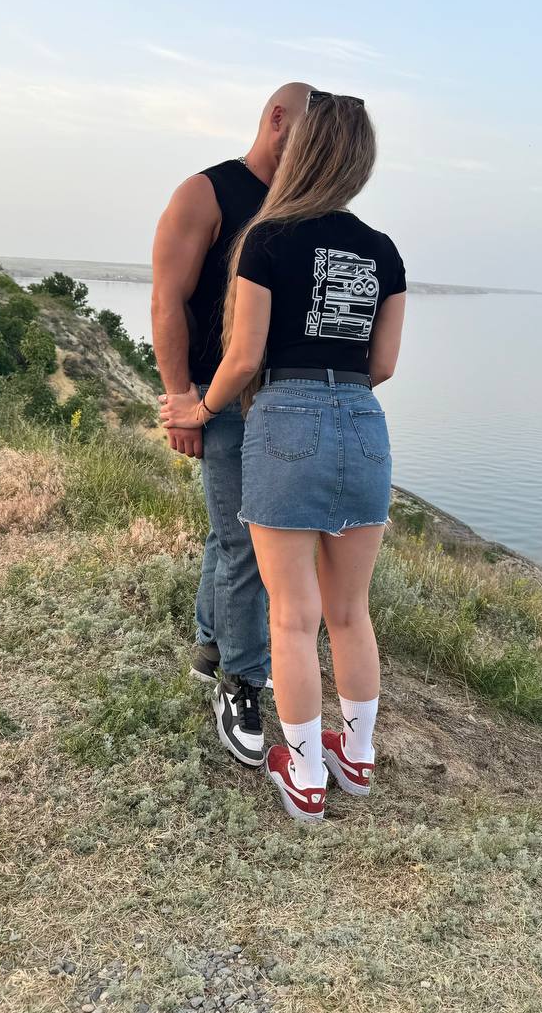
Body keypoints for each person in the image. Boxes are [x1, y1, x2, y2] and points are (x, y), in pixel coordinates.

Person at [159, 91, 406, 823]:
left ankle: (303, 774)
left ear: (306, 149)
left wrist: (199, 409)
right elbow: (383, 363)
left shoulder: (266, 239)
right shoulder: (384, 250)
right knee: (350, 613)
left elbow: (242, 359)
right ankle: (356, 758)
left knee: (293, 618)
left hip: (284, 415)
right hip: (363, 420)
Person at [151, 82, 313, 769]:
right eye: (310, 135)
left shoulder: (303, 204)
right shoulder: (207, 193)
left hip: (282, 401)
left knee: (232, 531)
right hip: (219, 400)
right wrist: (181, 398)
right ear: (278, 120)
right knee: (246, 539)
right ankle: (242, 679)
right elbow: (168, 300)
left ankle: (210, 644)